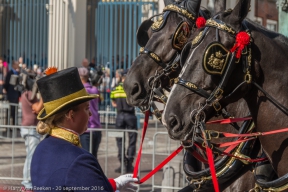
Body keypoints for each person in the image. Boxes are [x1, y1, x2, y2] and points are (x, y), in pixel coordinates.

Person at [31, 67, 138, 192]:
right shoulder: (79, 159)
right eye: (87, 108)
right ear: (71, 115)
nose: (91, 114)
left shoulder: (42, 147)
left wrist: (113, 184)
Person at [20, 70, 43, 192]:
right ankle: (27, 183)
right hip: (30, 129)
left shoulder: (26, 93)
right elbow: (38, 108)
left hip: (28, 128)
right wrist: (45, 94)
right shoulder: (29, 94)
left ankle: (28, 182)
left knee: (31, 156)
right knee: (31, 156)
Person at [110, 69, 137, 173]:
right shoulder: (131, 89)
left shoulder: (115, 88)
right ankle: (129, 164)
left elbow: (113, 103)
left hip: (119, 116)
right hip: (130, 116)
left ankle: (122, 164)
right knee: (132, 140)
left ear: (121, 77)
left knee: (120, 141)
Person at [78, 67, 102, 159]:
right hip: (96, 128)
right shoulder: (94, 89)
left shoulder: (81, 91)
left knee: (86, 158)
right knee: (94, 157)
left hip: (86, 130)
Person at [3, 60, 21, 125]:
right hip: (11, 95)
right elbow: (6, 84)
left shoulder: (18, 73)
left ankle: (14, 125)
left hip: (16, 95)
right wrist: (6, 90)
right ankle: (8, 125)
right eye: (16, 64)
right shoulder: (9, 73)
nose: (18, 66)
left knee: (15, 111)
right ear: (13, 65)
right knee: (10, 111)